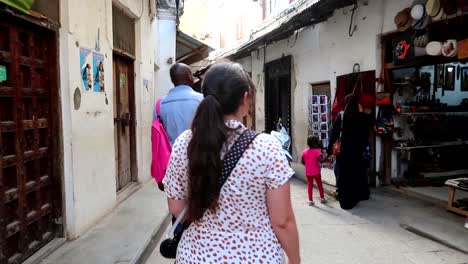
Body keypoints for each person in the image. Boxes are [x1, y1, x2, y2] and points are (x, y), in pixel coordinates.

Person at [163, 61, 301, 264]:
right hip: (258, 257)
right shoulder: (267, 147)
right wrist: (295, 259)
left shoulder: (185, 142)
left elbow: (177, 207)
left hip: (196, 256)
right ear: (245, 98)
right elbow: (282, 221)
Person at [328, 94, 370, 210]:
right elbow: (365, 136)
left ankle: (345, 201)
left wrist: (329, 150)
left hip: (343, 153)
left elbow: (334, 134)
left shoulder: (341, 116)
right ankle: (354, 198)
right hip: (357, 153)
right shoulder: (362, 117)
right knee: (355, 175)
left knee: (344, 176)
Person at [156, 63, 203, 145]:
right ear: (189, 76)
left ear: (172, 80)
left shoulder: (160, 104)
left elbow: (156, 134)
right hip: (196, 154)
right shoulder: (202, 100)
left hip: (170, 155)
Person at [301, 136, 326, 206]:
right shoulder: (317, 151)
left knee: (310, 186)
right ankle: (322, 198)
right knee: (319, 185)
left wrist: (308, 163)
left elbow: (302, 162)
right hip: (316, 172)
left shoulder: (304, 152)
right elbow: (321, 160)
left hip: (308, 172)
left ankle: (310, 200)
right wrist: (323, 156)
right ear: (316, 143)